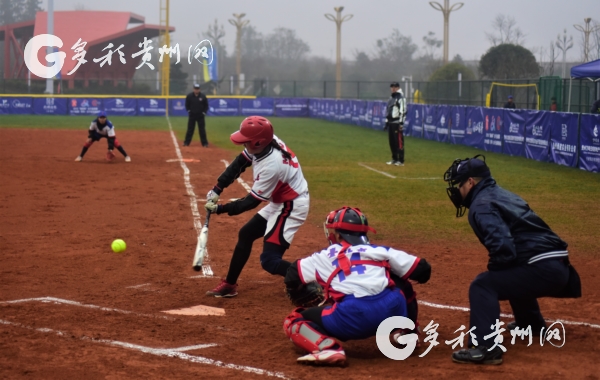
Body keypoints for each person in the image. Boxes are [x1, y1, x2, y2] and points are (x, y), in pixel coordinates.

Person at [443, 155, 581, 365]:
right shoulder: (501, 194)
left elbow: (503, 245)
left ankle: (486, 348)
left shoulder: (481, 204)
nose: (457, 190)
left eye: (459, 184)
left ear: (470, 182)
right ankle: (531, 325)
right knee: (512, 270)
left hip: (544, 267)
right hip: (558, 264)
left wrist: (495, 271)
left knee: (483, 285)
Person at [282, 206, 431, 365]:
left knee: (294, 320)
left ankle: (327, 348)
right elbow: (423, 270)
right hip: (392, 310)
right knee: (401, 283)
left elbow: (292, 274)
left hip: (352, 319)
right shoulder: (380, 250)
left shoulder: (326, 255)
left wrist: (297, 290)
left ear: (338, 234)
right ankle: (408, 334)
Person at [204, 116, 310, 298]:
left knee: (270, 261)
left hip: (291, 206)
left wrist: (220, 209)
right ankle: (230, 284)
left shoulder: (271, 166)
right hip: (282, 201)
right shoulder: (267, 143)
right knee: (246, 234)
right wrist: (218, 187)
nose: (244, 144)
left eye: (247, 141)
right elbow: (240, 162)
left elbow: (250, 202)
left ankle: (314, 277)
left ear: (259, 142)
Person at [384, 82, 406, 166]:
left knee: (399, 142)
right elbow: (388, 110)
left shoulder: (400, 97)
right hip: (391, 122)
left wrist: (401, 123)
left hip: (397, 123)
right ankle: (394, 158)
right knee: (392, 142)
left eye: (395, 87)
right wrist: (387, 122)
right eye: (392, 87)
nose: (393, 88)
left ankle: (400, 160)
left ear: (398, 87)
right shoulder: (391, 98)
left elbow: (403, 111)